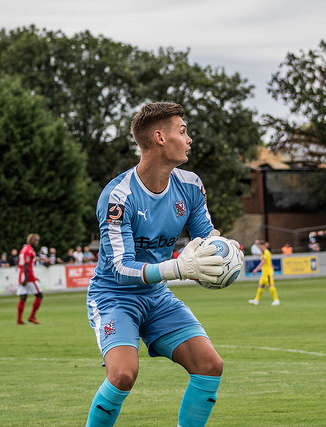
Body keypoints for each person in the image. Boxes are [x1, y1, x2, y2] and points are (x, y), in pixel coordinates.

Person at [85, 102, 237, 426]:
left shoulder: (191, 186)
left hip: (157, 297)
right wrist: (176, 268)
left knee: (210, 365)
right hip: (114, 297)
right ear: (159, 138)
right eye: (182, 131)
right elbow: (120, 269)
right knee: (124, 373)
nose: (189, 139)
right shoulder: (118, 197)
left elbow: (206, 238)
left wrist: (225, 251)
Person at [17, 233, 44, 325]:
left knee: (23, 297)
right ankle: (32, 316)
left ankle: (19, 320)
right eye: (35, 240)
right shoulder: (29, 250)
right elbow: (26, 265)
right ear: (31, 240)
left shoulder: (24, 249)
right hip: (28, 276)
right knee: (40, 295)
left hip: (21, 274)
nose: (37, 242)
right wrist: (27, 278)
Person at [248, 241, 280, 306]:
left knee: (270, 285)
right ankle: (256, 300)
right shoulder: (263, 252)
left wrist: (256, 269)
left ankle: (276, 300)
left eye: (259, 246)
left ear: (263, 246)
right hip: (264, 273)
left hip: (268, 273)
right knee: (261, 285)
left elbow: (263, 261)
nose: (259, 247)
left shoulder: (266, 252)